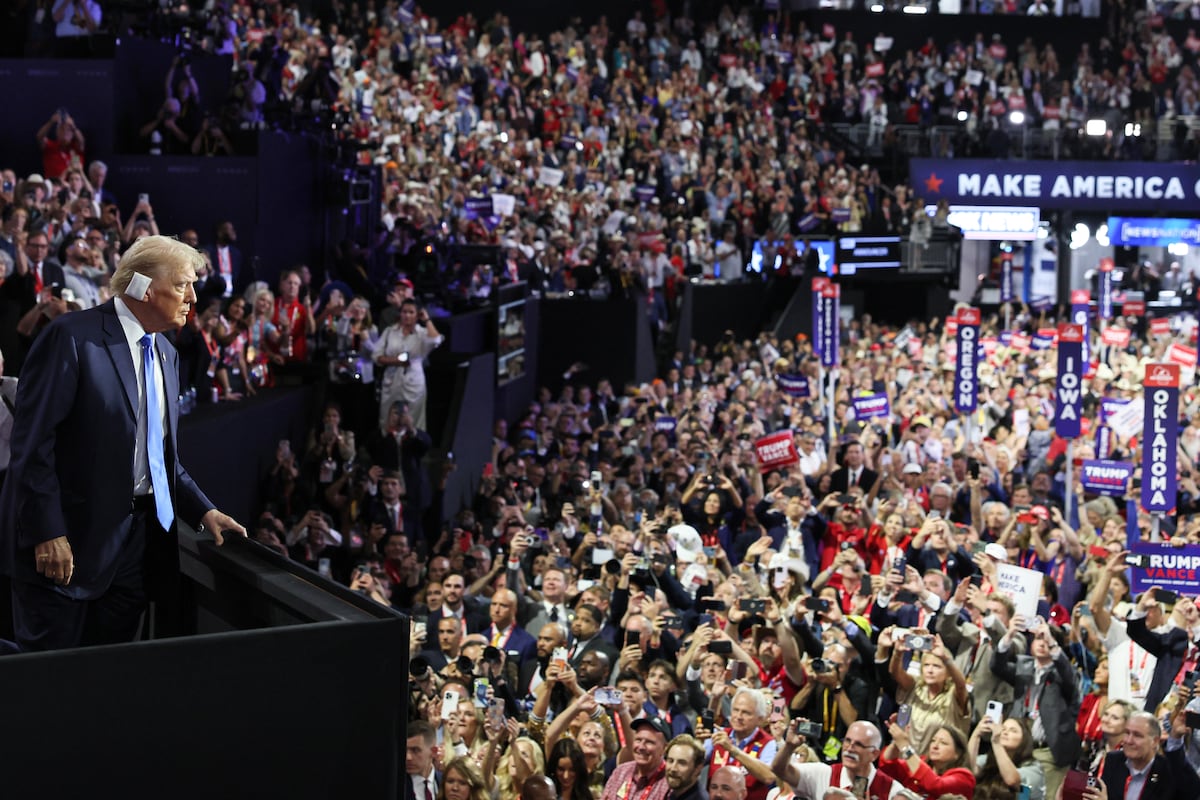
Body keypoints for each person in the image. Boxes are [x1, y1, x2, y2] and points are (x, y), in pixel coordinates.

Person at [0, 235, 246, 651]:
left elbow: (158, 456)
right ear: (144, 288)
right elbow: (32, 443)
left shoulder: (166, 352)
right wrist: (47, 532)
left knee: (107, 683)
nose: (192, 297)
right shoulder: (71, 338)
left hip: (133, 552)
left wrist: (204, 510)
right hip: (65, 547)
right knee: (48, 688)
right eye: (183, 284)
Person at [771, 719, 905, 799]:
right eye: (847, 741)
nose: (850, 748)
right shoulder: (822, 773)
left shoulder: (892, 791)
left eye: (858, 744)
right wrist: (789, 746)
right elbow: (779, 769)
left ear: (874, 754)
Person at [375, 298, 443, 430]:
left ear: (417, 315)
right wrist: (396, 361)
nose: (407, 315)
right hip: (392, 379)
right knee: (387, 417)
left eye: (411, 312)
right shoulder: (390, 331)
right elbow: (377, 356)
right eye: (404, 312)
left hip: (413, 380)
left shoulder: (422, 333)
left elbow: (436, 340)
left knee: (413, 419)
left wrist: (427, 320)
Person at [878, 723, 976, 798]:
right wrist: (896, 743)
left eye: (943, 743)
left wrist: (905, 747)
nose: (935, 746)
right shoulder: (921, 763)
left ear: (957, 753)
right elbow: (887, 766)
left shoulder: (964, 777)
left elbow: (935, 785)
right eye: (933, 740)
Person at [600, 716, 671, 800]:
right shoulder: (620, 772)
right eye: (638, 740)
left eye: (649, 742)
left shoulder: (669, 783)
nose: (641, 747)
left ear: (664, 748)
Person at [664, 734, 708, 800]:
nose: (673, 768)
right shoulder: (672, 794)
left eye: (681, 763)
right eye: (670, 761)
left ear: (697, 769)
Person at [405, 720, 441, 800]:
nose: (408, 757)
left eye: (415, 750)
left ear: (433, 752)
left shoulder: (444, 782)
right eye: (405, 750)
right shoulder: (394, 785)